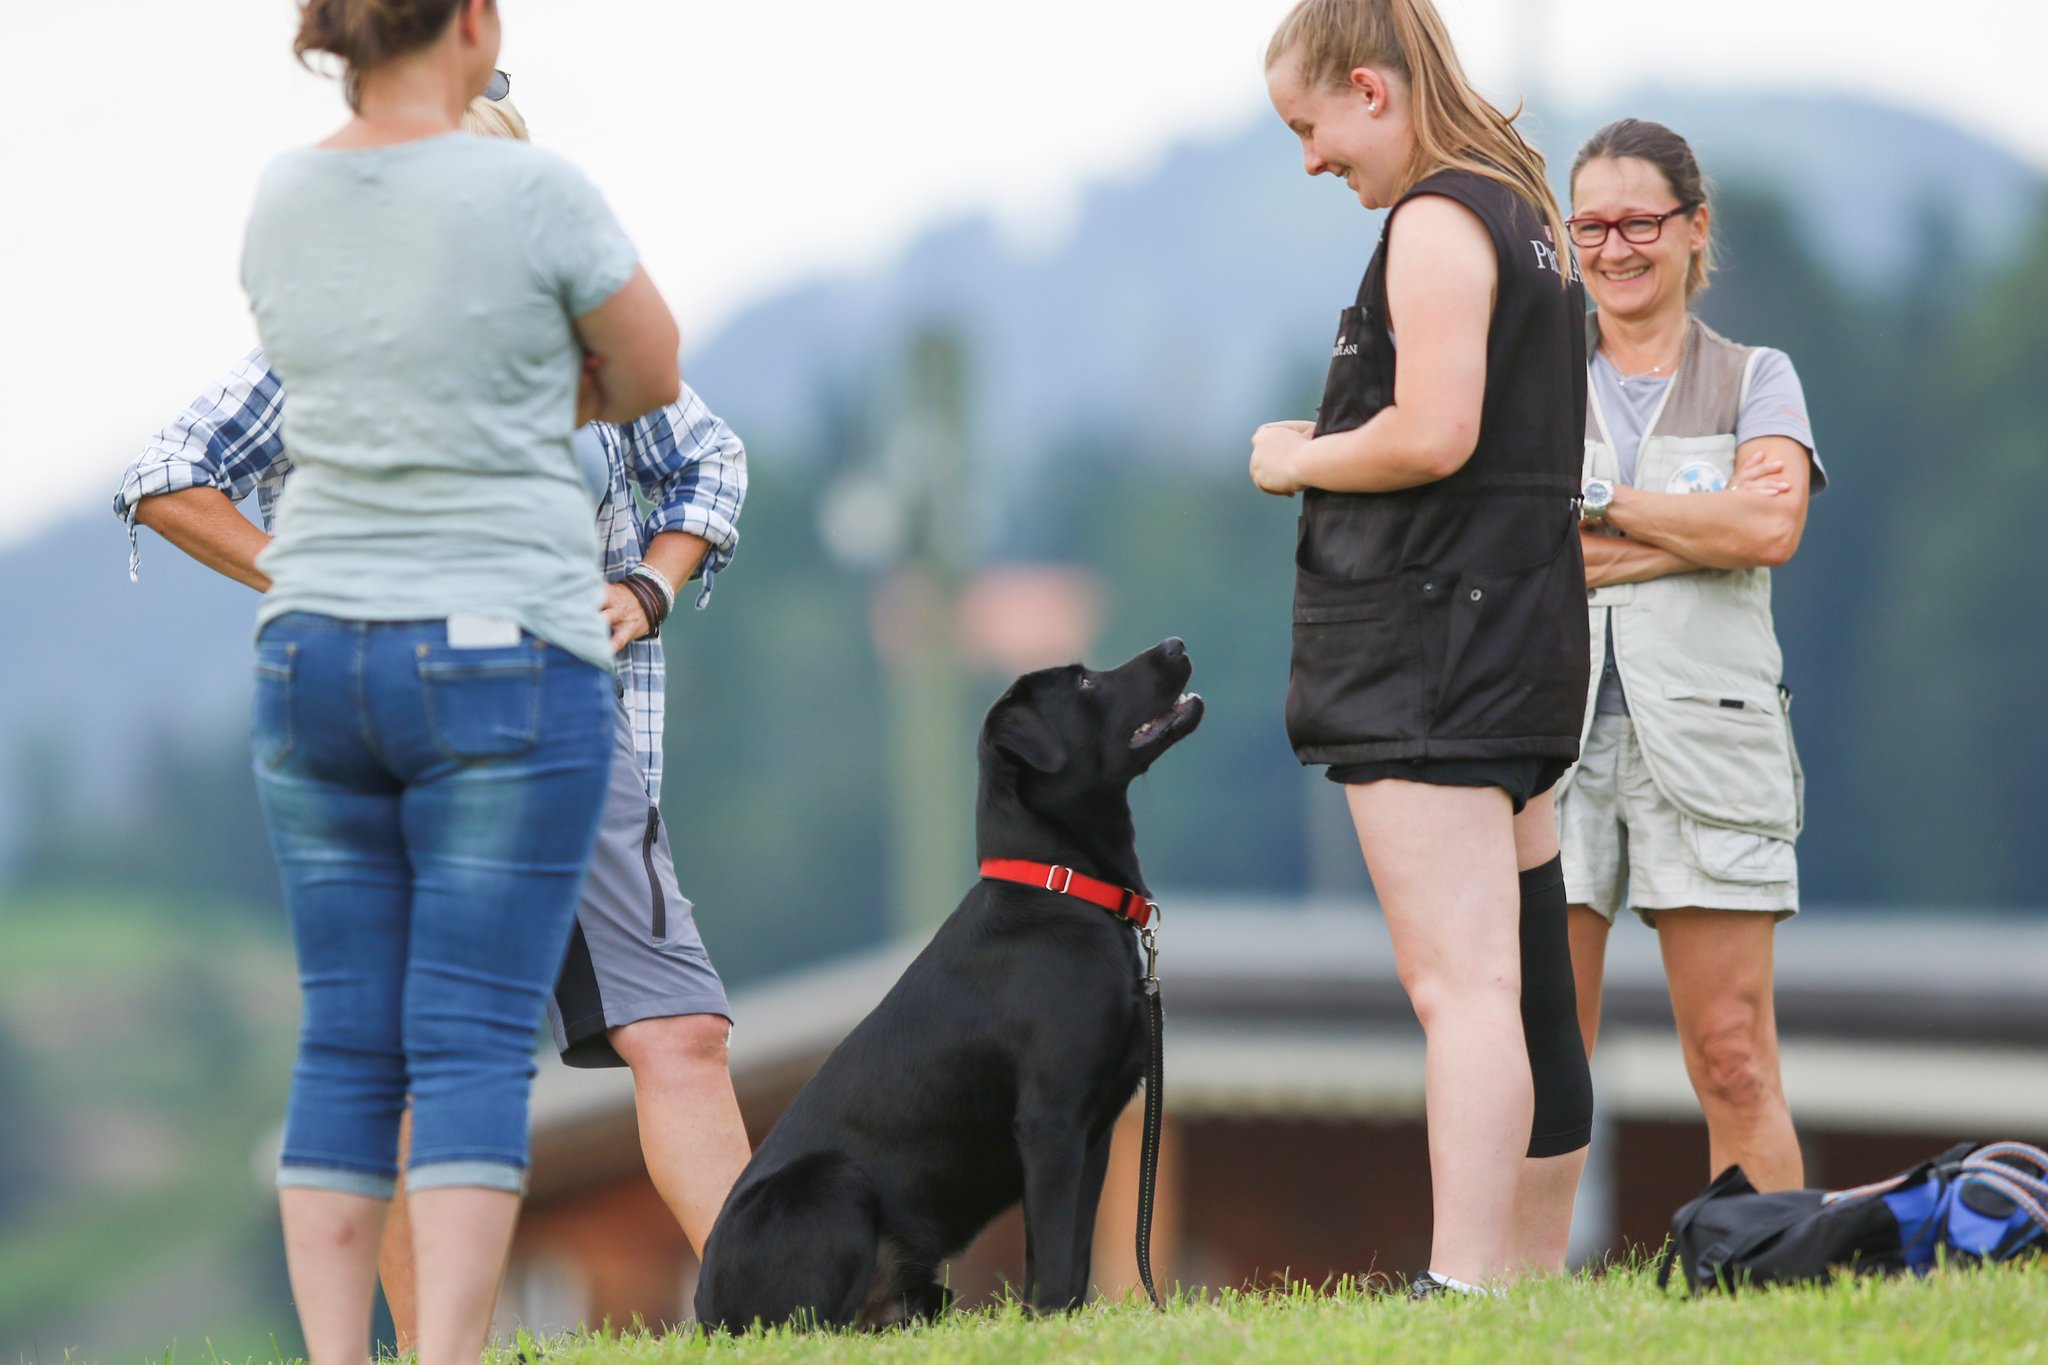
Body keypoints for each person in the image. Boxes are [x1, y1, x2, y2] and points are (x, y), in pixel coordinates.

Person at [117, 88, 754, 1348]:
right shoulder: (334, 335)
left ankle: (769, 1311)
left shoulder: (570, 327)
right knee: (408, 1062)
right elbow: (167, 473)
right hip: (388, 707)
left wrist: (644, 588)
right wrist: (311, 573)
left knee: (677, 1025)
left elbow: (703, 452)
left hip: (568, 703)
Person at [226, 1, 682, 1359]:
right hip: (497, 643)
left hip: (312, 645)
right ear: (472, 25)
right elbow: (652, 372)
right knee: (472, 1038)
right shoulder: (536, 191)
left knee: (344, 1039)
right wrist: (547, 381)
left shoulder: (284, 194)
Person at [1253, 0, 1593, 1295]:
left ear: (1370, 88)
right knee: (1528, 983)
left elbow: (1436, 432)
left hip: (1432, 651)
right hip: (1521, 636)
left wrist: (1301, 457)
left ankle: (1461, 1285)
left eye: (1310, 127)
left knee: (1462, 987)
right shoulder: (1524, 209)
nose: (1309, 160)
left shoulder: (1438, 222)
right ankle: (1527, 1282)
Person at [1560, 118, 1822, 1192]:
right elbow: (1502, 553)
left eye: (1639, 222)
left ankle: (1769, 1273)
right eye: (1589, 226)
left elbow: (1769, 527)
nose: (1613, 248)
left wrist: (1597, 504)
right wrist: (1695, 532)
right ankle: (1511, 1281)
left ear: (1693, 226)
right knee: (1541, 1063)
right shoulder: (1529, 378)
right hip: (1547, 747)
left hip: (1712, 746)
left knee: (1731, 1059)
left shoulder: (1758, 376)